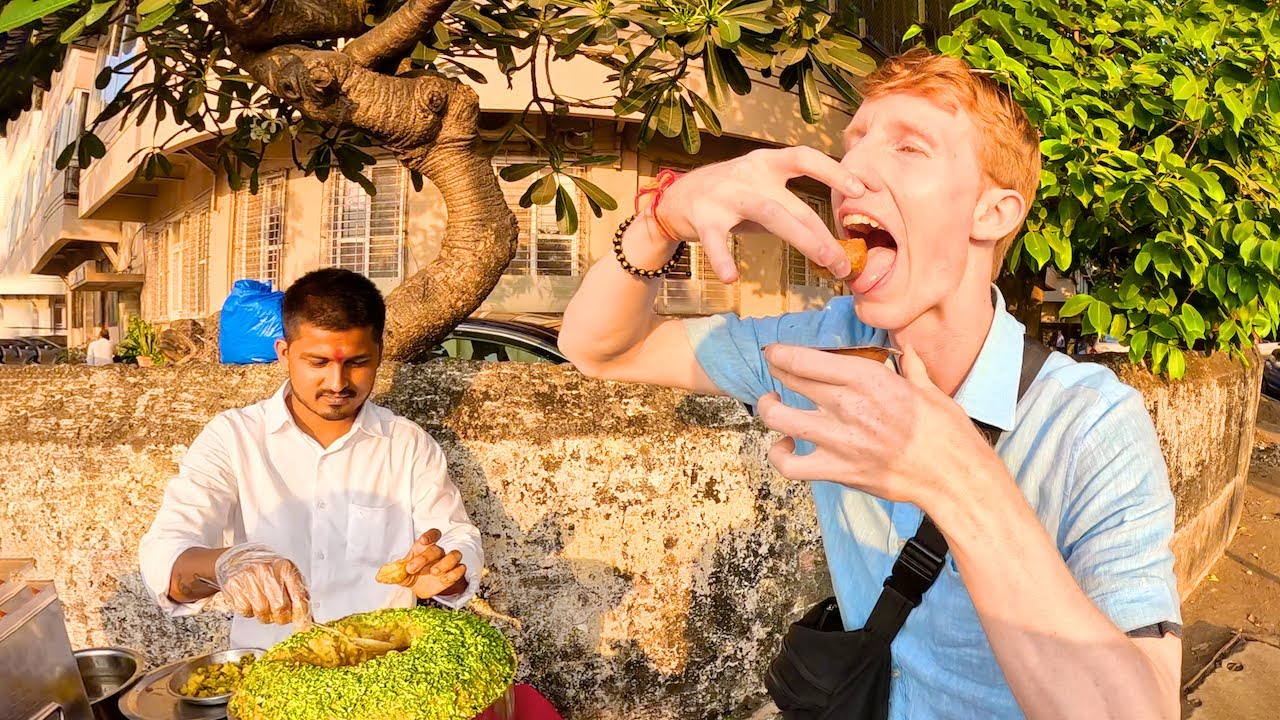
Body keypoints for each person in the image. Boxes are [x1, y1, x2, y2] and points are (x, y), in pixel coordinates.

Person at [559, 49, 1180, 719]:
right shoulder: (821, 348)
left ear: (994, 212)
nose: (850, 172)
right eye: (852, 145)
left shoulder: (1091, 425)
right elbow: (596, 347)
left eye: (909, 148)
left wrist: (953, 477)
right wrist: (662, 219)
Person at [138, 268, 483, 649]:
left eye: (356, 362)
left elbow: (456, 537)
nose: (338, 383)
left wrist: (444, 571)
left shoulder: (406, 444)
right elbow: (166, 554)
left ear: (380, 354)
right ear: (284, 353)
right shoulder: (233, 438)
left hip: (382, 672)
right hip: (268, 672)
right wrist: (227, 565)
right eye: (318, 362)